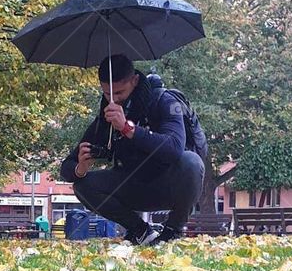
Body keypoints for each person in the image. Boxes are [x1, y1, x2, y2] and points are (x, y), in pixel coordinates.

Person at [60, 55, 204, 245]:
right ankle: (140, 230)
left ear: (134, 81)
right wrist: (81, 167)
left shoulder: (166, 101)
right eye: (107, 94)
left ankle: (173, 231)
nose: (114, 100)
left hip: (168, 183)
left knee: (191, 162)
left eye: (120, 92)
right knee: (82, 185)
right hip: (132, 185)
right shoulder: (106, 117)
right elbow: (66, 168)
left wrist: (128, 129)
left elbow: (174, 148)